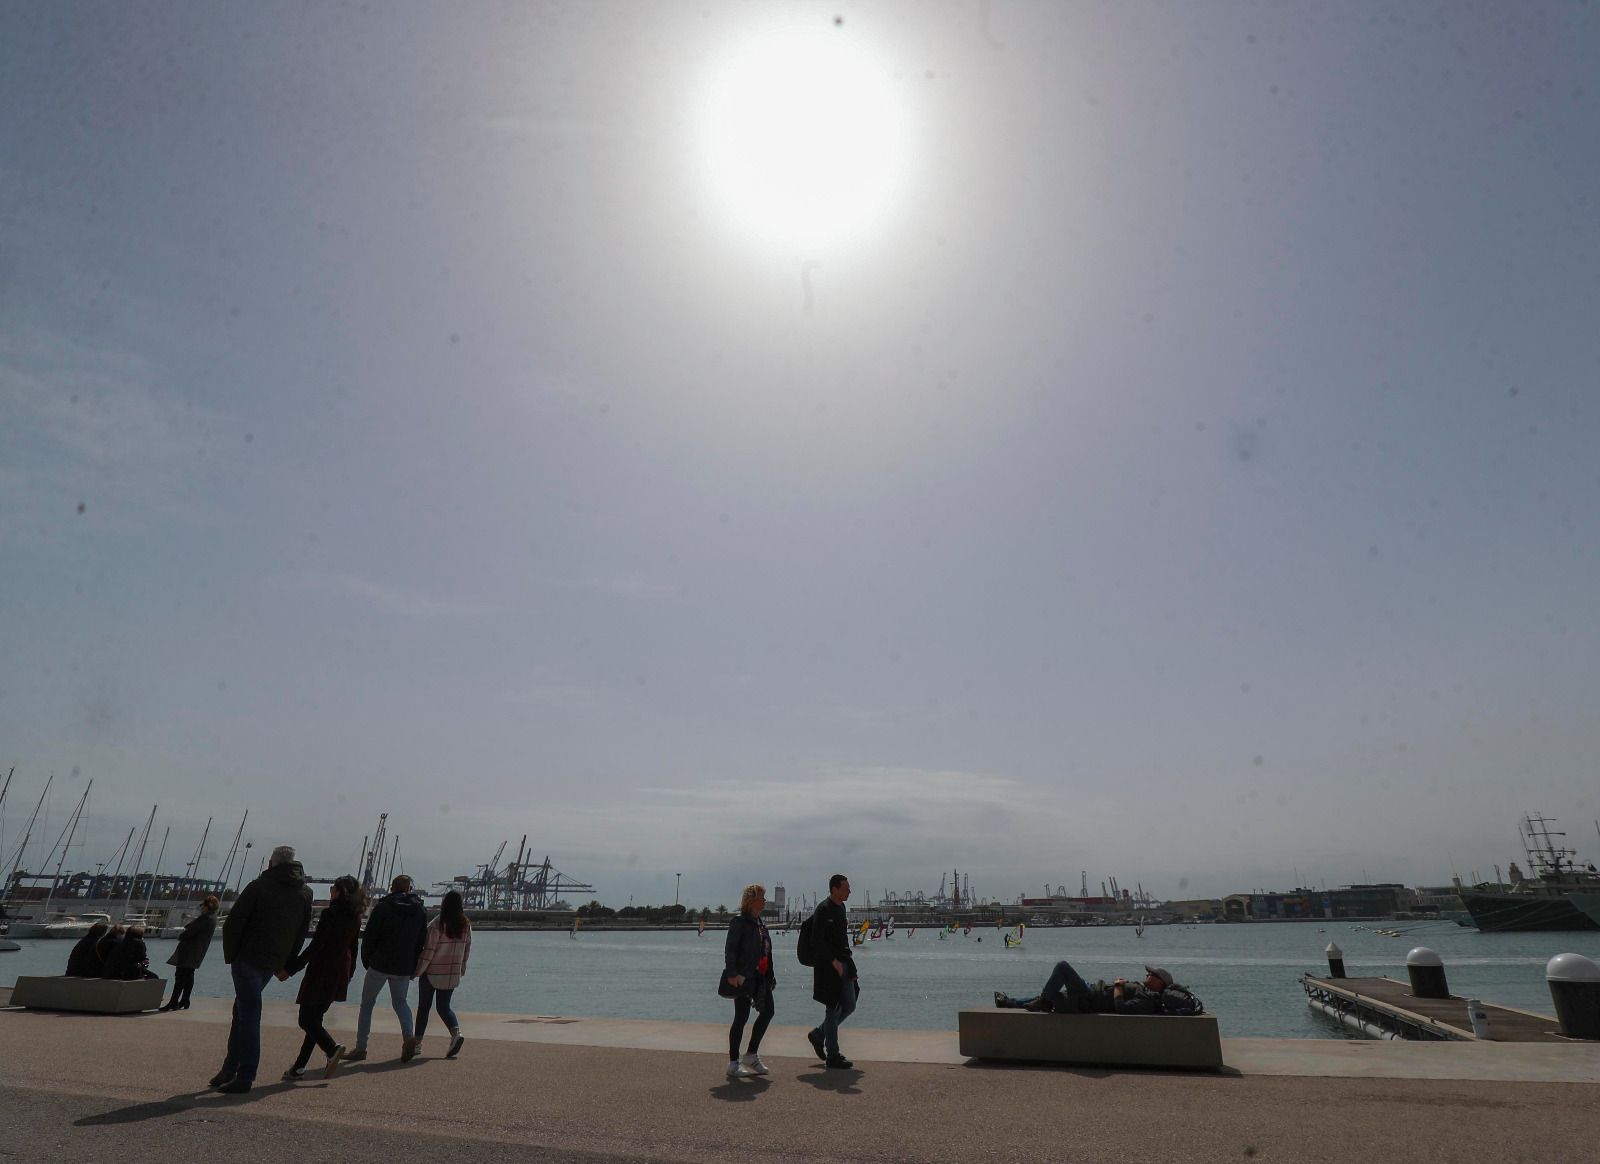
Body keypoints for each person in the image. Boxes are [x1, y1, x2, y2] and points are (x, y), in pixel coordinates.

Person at [208, 844, 314, 1094]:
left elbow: (235, 922)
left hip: (248, 959)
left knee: (249, 1014)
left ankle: (245, 1074)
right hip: (273, 962)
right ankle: (229, 1067)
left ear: (273, 863)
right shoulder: (305, 893)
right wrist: (287, 962)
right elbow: (302, 931)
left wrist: (232, 955)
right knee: (242, 1010)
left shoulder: (258, 886)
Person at [279, 875, 363, 1080]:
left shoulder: (330, 914)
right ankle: (299, 1067)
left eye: (333, 887)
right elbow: (354, 947)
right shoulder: (355, 915)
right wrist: (349, 974)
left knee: (306, 1019)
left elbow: (315, 947)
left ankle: (332, 1049)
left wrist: (290, 969)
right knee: (315, 1019)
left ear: (340, 891)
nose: (330, 890)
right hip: (339, 971)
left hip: (321, 971)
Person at [345, 873, 428, 1063]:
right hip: (404, 966)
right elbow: (421, 940)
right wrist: (414, 964)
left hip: (380, 963)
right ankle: (408, 1036)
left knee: (367, 1004)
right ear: (409, 888)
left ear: (392, 887)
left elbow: (369, 937)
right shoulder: (420, 910)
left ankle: (361, 1047)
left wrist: (367, 960)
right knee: (401, 1002)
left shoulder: (383, 907)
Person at [722, 882, 776, 1079]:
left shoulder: (760, 923)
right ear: (752, 900)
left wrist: (771, 974)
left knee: (768, 1011)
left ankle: (751, 1054)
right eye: (762, 897)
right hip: (743, 977)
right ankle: (733, 1063)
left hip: (760, 977)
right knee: (741, 1017)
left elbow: (766, 951)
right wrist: (732, 974)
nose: (765, 900)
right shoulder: (740, 922)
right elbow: (730, 949)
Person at [994, 963, 1195, 1014]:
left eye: (1151, 974)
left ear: (1160, 982)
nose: (1147, 975)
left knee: (1063, 967)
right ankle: (1010, 1002)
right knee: (1050, 995)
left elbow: (1121, 1008)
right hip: (1090, 992)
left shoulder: (1148, 999)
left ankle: (1045, 1000)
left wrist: (1118, 987)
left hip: (1089, 998)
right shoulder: (1145, 991)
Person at [808, 873, 858, 1070]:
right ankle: (833, 1055)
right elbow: (816, 942)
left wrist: (848, 965)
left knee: (850, 1005)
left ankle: (819, 1034)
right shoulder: (824, 909)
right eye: (846, 888)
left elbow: (841, 940)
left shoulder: (841, 908)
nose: (849, 891)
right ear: (835, 889)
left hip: (845, 963)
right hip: (829, 968)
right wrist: (832, 961)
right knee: (833, 1008)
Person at [414, 888, 471, 1060]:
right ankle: (456, 1033)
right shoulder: (465, 924)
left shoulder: (437, 924)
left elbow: (429, 951)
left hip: (432, 972)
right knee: (443, 1007)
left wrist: (418, 971)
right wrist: (462, 968)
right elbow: (467, 948)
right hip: (451, 973)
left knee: (424, 1007)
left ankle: (417, 1044)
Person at [161, 895, 220, 1011]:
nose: (201, 907)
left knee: (180, 977)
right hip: (197, 952)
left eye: (202, 905)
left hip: (189, 951)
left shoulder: (205, 918)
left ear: (208, 906)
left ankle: (173, 1002)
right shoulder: (212, 918)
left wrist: (182, 935)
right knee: (189, 976)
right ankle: (185, 1000)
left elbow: (190, 932)